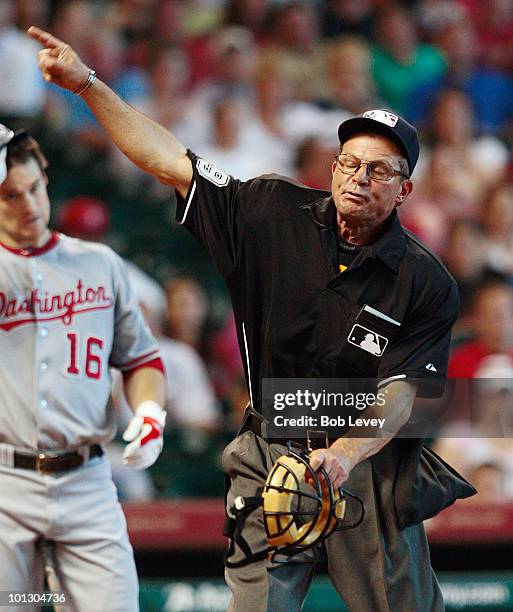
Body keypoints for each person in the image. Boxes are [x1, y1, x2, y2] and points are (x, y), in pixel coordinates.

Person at [27, 26, 475, 612]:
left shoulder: (425, 281)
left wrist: (343, 454)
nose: (358, 177)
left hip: (364, 461)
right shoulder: (270, 211)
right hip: (271, 447)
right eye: (350, 162)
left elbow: (402, 394)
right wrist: (87, 84)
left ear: (405, 188)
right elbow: (167, 161)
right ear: (334, 167)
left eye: (379, 170)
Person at [0, 125, 167, 611]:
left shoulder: (100, 263)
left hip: (87, 481)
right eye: (10, 195)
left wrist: (150, 414)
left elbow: (141, 359)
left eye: (34, 189)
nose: (29, 205)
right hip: (6, 487)